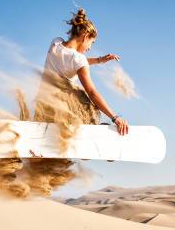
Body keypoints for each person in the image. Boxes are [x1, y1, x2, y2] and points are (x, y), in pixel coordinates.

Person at [36, 8, 129, 136]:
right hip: (61, 111)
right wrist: (115, 117)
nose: (90, 48)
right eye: (92, 43)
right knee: (85, 98)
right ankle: (92, 128)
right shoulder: (78, 59)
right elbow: (92, 91)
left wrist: (99, 60)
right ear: (85, 37)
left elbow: (70, 60)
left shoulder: (56, 43)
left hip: (42, 107)